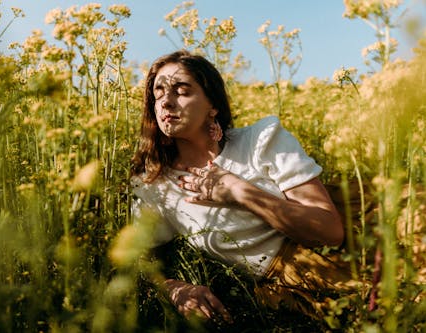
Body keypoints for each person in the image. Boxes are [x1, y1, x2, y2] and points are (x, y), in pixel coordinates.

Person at [130, 50, 355, 325]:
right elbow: (139, 258)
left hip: (347, 248)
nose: (166, 101)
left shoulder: (260, 140)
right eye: (159, 92)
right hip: (292, 281)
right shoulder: (156, 184)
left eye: (182, 90)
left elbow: (330, 231)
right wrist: (174, 288)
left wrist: (239, 192)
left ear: (212, 105)